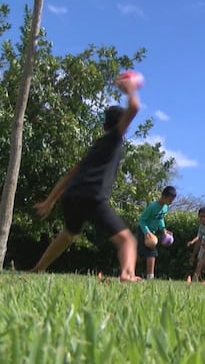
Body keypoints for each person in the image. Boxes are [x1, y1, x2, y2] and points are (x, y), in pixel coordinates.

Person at [30, 74, 142, 281]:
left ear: (103, 126)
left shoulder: (96, 146)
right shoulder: (114, 138)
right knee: (127, 240)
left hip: (72, 195)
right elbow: (134, 107)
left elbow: (71, 173)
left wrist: (49, 201)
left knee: (68, 234)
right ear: (121, 125)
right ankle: (128, 274)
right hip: (93, 195)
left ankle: (37, 270)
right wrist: (130, 89)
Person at [136, 186, 177, 280]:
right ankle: (150, 277)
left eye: (172, 200)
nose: (171, 202)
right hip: (143, 230)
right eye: (170, 199)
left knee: (141, 255)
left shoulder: (166, 207)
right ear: (163, 196)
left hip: (152, 232)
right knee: (152, 251)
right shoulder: (153, 206)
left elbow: (160, 218)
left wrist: (164, 230)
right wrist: (146, 232)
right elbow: (142, 220)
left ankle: (125, 270)